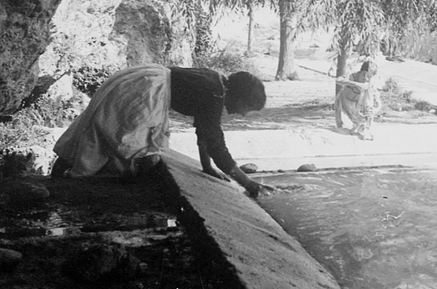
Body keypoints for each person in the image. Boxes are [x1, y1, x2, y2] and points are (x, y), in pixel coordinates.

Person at [51, 64, 273, 197]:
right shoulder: (215, 94)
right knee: (118, 135)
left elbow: (204, 132)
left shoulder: (215, 83)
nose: (243, 115)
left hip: (144, 80)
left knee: (104, 129)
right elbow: (215, 143)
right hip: (145, 91)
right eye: (247, 109)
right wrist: (248, 183)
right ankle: (72, 183)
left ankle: (66, 175)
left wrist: (207, 167)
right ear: (240, 98)